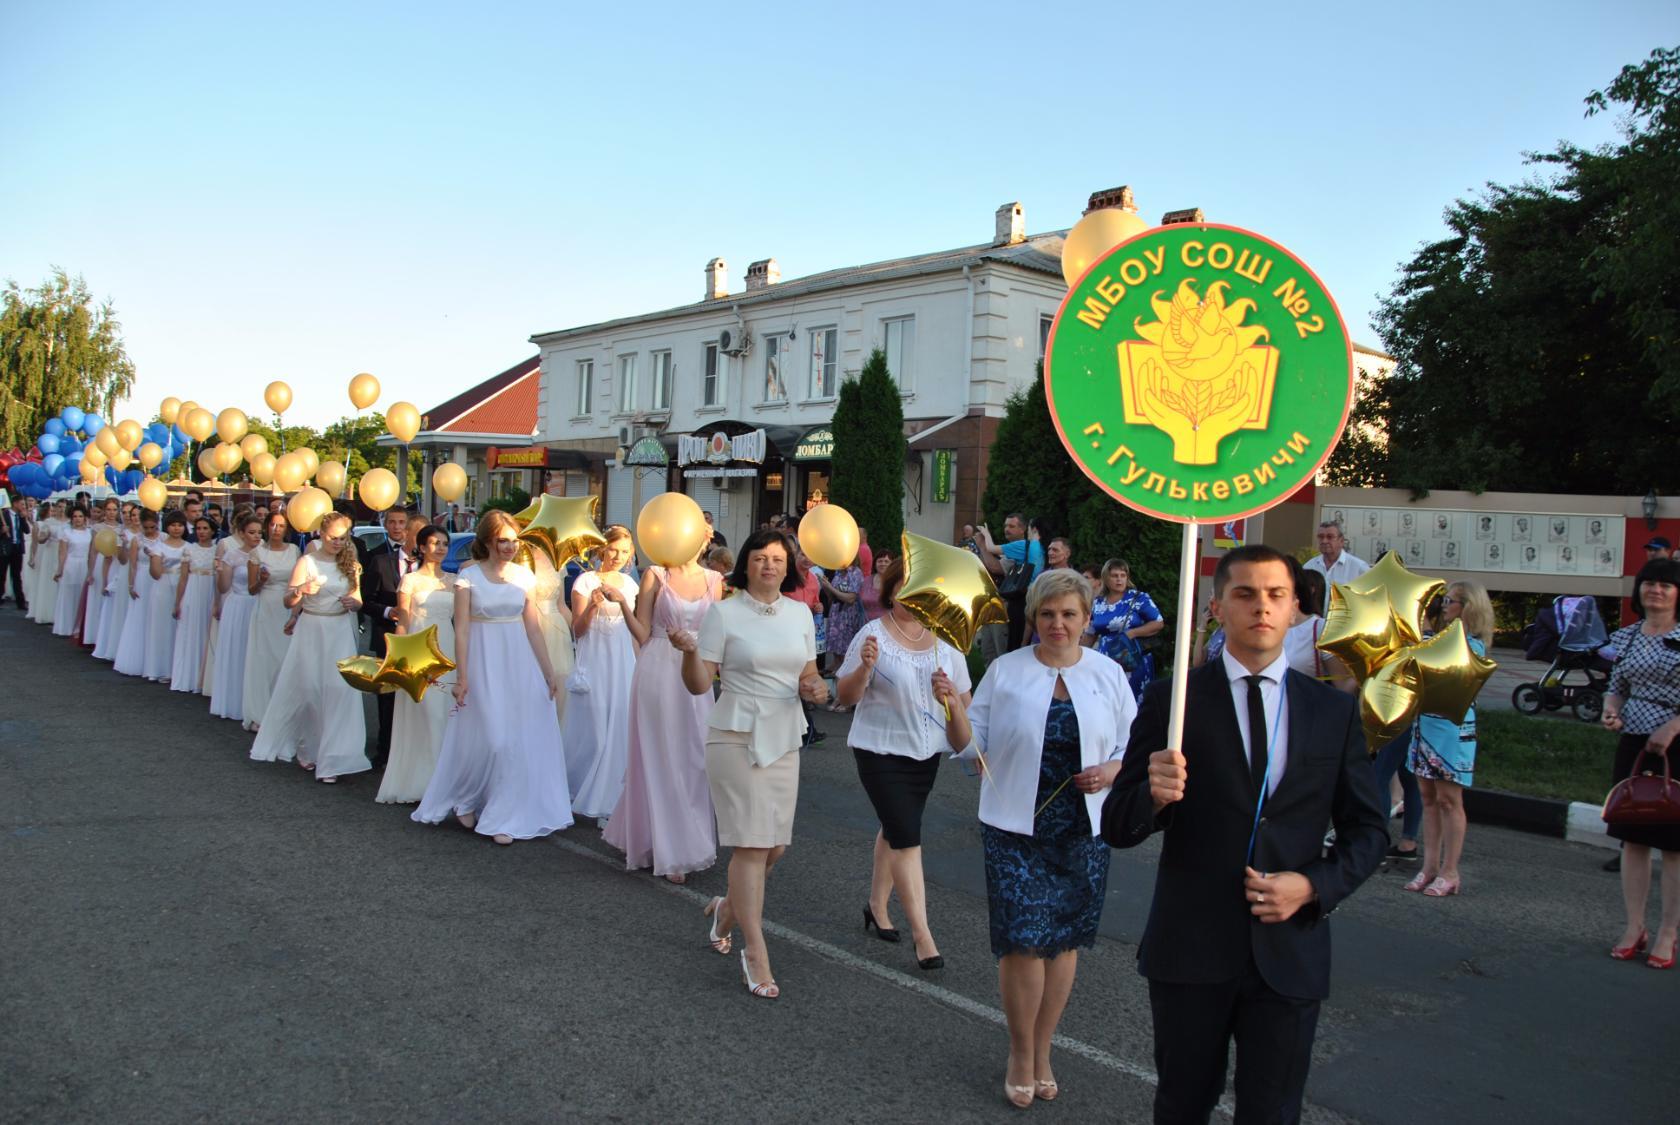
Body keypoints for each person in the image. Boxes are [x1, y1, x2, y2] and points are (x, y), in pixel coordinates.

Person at [1102, 544, 1388, 1124]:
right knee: (1182, 1105)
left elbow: (1369, 831)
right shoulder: (1173, 701)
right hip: (1191, 949)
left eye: (1276, 595)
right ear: (1217, 608)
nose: (1262, 607)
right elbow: (1117, 825)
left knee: (1272, 1111)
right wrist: (1152, 797)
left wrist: (1311, 887)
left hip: (1289, 953)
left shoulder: (1331, 712)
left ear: (1294, 611)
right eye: (1246, 594)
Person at [940, 568, 1135, 1106]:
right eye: (1047, 614)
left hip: (1082, 826)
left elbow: (1130, 745)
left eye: (1069, 614)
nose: (1057, 624)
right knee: (1024, 941)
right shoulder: (1005, 671)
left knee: (1063, 943)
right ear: (1033, 618)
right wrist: (954, 708)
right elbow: (967, 748)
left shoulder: (1107, 673)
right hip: (1013, 825)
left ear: (1086, 619)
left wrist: (1111, 772)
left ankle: (1045, 1048)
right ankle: (1021, 1051)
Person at [672, 529, 829, 999]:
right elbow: (701, 685)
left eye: (777, 559)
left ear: (789, 567)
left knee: (775, 846)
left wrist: (815, 688)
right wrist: (688, 655)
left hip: (784, 733)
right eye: (760, 558)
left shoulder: (800, 613)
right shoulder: (723, 612)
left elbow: (808, 673)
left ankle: (726, 909)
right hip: (735, 734)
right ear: (746, 564)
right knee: (751, 845)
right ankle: (755, 951)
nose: (768, 566)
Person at [836, 556, 973, 971]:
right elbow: (845, 696)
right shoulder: (873, 633)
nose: (912, 596)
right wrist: (865, 667)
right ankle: (923, 935)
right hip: (878, 750)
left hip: (925, 753)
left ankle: (877, 905)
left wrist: (949, 698)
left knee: (896, 829)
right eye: (904, 587)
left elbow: (965, 714)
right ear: (891, 590)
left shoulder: (946, 644)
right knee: (906, 836)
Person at [413, 510, 573, 843]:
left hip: (519, 663)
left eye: (514, 541)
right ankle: (465, 797)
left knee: (515, 740)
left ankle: (502, 814)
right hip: (483, 663)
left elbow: (532, 627)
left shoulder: (522, 576)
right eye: (503, 541)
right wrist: (463, 675)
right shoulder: (468, 577)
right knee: (490, 739)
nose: (510, 547)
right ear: (488, 541)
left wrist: (547, 672)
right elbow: (462, 630)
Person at [605, 543, 725, 882]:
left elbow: (716, 635)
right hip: (658, 665)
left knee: (694, 755)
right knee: (661, 753)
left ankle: (687, 836)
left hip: (698, 669)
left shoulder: (715, 579)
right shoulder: (655, 575)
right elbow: (643, 632)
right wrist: (623, 607)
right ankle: (668, 846)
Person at [249, 512, 370, 784]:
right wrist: (301, 590)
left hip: (339, 630)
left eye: (343, 538)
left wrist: (354, 603)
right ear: (321, 535)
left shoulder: (351, 564)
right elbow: (288, 602)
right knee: (311, 690)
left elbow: (359, 599)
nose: (338, 542)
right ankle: (308, 746)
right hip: (312, 629)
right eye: (333, 537)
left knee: (339, 691)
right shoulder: (307, 561)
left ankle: (333, 758)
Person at [1601, 557, 1680, 970]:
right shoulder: (1628, 636)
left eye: (1666, 585)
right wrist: (1611, 710)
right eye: (1650, 582)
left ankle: (1669, 931)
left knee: (1673, 845)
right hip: (1634, 744)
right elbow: (1617, 687)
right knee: (1632, 838)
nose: (1656, 590)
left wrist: (1672, 728)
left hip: (1676, 745)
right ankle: (1635, 926)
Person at [1405, 581, 1493, 897]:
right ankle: (1429, 867)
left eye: (1450, 600)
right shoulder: (1438, 638)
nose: (1444, 605)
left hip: (1453, 730)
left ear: (1468, 606)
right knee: (1427, 797)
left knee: (1449, 799)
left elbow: (1442, 667)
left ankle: (1450, 870)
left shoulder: (1473, 645)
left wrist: (1427, 633)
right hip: (1424, 724)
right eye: (1443, 600)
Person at [563, 525, 646, 820]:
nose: (618, 556)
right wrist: (593, 608)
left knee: (620, 728)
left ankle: (611, 799)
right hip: (596, 660)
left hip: (622, 661)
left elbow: (635, 630)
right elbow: (578, 629)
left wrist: (639, 666)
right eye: (613, 549)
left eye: (625, 552)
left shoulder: (631, 585)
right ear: (602, 549)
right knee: (596, 730)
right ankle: (581, 786)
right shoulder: (585, 581)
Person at [377, 526, 456, 804]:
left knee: (445, 713)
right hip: (419, 646)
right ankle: (420, 780)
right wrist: (398, 658)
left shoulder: (455, 581)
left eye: (445, 543)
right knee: (423, 711)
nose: (441, 548)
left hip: (447, 646)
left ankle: (444, 782)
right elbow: (404, 621)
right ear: (422, 547)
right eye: (435, 543)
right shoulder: (409, 581)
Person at [359, 507, 412, 769]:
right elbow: (365, 601)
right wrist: (388, 610)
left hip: (416, 638)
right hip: (386, 635)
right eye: (392, 522)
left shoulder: (425, 562)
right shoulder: (378, 558)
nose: (397, 527)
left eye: (402, 523)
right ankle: (384, 751)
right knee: (387, 697)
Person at [242, 512, 302, 732]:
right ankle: (260, 712)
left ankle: (284, 712)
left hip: (287, 606)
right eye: (273, 525)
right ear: (267, 527)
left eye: (282, 525)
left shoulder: (295, 551)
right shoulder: (257, 552)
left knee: (284, 660)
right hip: (266, 606)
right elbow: (251, 589)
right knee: (264, 660)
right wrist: (261, 580)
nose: (277, 529)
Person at [1085, 557, 1165, 700]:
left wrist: (1132, 633)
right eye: (1114, 576)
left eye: (1123, 575)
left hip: (1132, 660)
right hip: (1105, 660)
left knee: (1133, 703)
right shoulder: (1097, 602)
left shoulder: (1138, 598)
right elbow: (1090, 633)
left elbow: (1158, 622)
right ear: (1105, 578)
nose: (1119, 580)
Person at [209, 513, 263, 721]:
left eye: (259, 532)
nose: (256, 536)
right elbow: (223, 588)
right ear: (241, 533)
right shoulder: (232, 555)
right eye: (251, 532)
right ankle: (234, 700)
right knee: (237, 650)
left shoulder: (266, 553)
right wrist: (221, 571)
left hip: (260, 605)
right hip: (239, 604)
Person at [527, 548, 576, 727]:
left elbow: (561, 604)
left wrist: (578, 630)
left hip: (556, 629)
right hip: (529, 624)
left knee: (562, 684)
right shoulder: (519, 558)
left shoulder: (558, 559)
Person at [168, 517, 217, 693]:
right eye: (198, 528)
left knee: (206, 632)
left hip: (210, 590)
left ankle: (203, 677)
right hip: (193, 590)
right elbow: (183, 578)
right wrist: (177, 602)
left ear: (212, 530)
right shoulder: (189, 549)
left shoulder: (218, 549)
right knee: (190, 631)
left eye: (205, 528)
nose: (201, 532)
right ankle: (187, 677)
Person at [113, 510, 163, 677]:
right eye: (146, 527)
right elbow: (132, 564)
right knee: (140, 616)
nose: (149, 530)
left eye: (152, 527)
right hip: (142, 578)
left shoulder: (163, 538)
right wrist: (131, 584)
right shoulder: (137, 540)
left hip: (158, 578)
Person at [141, 511, 188, 682]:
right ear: (167, 526)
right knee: (161, 626)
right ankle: (159, 668)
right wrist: (155, 561)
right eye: (173, 525)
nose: (176, 528)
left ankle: (177, 669)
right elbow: (155, 573)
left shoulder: (188, 547)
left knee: (179, 627)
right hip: (162, 586)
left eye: (180, 525)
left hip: (182, 586)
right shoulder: (158, 547)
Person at [93, 505, 139, 662]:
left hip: (142, 573)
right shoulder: (123, 534)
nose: (134, 518)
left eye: (137, 515)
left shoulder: (153, 535)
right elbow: (121, 559)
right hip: (125, 571)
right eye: (131, 515)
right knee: (123, 609)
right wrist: (125, 546)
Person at [818, 552, 864, 677]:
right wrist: (826, 587)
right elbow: (832, 597)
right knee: (835, 642)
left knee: (845, 644)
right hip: (836, 613)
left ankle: (844, 670)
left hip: (848, 615)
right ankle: (835, 664)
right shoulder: (838, 573)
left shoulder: (855, 573)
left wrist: (831, 588)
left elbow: (851, 598)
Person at [50, 504, 92, 638]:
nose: (78, 519)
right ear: (71, 518)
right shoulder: (66, 532)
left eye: (80, 516)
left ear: (85, 518)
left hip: (85, 565)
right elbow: (62, 553)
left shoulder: (90, 532)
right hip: (71, 565)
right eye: (75, 516)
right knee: (69, 595)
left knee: (82, 595)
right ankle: (66, 625)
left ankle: (79, 627)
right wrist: (60, 570)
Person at [1302, 520, 1369, 588]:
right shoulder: (1309, 566)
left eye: (1330, 537)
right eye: (1321, 537)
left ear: (1341, 541)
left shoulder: (1358, 568)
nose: (1324, 541)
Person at [0, 498, 29, 611]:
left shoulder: (19, 516)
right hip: (5, 548)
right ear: (15, 503)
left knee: (17, 576)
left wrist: (23, 518)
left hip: (17, 549)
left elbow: (26, 531)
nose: (23, 506)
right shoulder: (3, 514)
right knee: (1, 574)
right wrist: (2, 531)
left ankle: (20, 602)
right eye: (22, 504)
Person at [859, 550, 891, 623]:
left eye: (886, 561)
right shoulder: (866, 581)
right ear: (875, 564)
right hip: (866, 624)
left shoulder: (895, 582)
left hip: (887, 624)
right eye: (880, 561)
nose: (883, 564)